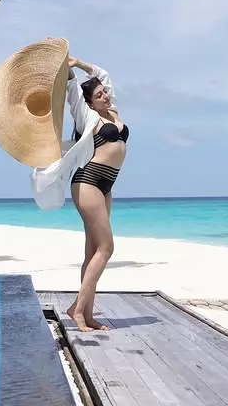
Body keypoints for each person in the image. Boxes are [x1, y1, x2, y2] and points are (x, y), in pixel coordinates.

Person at [63, 56, 129, 332]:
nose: (105, 95)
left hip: (106, 186)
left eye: (105, 92)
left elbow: (104, 75)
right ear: (90, 103)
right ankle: (77, 310)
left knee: (93, 251)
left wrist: (79, 62)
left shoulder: (113, 113)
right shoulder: (87, 117)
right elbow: (72, 92)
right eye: (99, 95)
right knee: (106, 248)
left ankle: (87, 314)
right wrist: (67, 69)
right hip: (88, 181)